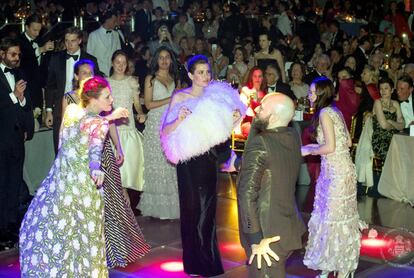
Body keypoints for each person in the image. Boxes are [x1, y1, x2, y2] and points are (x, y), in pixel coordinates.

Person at [19, 77, 129, 276]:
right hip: (65, 182)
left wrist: (95, 168)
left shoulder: (97, 122)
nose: (112, 99)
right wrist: (110, 118)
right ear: (93, 99)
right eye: (107, 96)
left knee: (83, 232)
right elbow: (79, 127)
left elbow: (95, 150)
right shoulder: (74, 112)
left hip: (83, 185)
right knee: (57, 227)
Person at [160, 55, 245, 277]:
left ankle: (208, 262)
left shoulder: (216, 97)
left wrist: (234, 120)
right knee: (191, 210)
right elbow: (165, 132)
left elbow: (222, 133)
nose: (205, 76)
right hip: (188, 162)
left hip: (209, 159)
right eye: (200, 72)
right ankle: (193, 262)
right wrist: (179, 118)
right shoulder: (180, 97)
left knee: (208, 211)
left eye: (207, 72)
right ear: (190, 75)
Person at [62, 59, 150, 268]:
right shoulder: (70, 99)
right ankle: (89, 252)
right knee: (88, 204)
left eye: (90, 72)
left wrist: (118, 147)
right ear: (76, 77)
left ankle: (115, 250)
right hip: (82, 156)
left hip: (104, 152)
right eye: (83, 73)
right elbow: (67, 131)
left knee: (112, 201)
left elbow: (108, 123)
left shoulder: (99, 95)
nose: (87, 76)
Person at [302, 77, 366, 278]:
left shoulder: (324, 114)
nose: (310, 95)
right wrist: (314, 147)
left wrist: (310, 151)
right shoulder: (335, 110)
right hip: (341, 169)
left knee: (333, 219)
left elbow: (330, 147)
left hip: (336, 174)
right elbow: (346, 142)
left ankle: (339, 266)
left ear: (321, 93)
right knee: (339, 218)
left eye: (312, 92)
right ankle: (337, 263)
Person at [237, 93, 306, 278]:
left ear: (273, 116)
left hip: (266, 235)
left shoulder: (262, 143)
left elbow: (247, 194)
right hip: (286, 226)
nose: (256, 109)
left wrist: (255, 239)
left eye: (262, 107)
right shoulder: (292, 134)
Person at [0, 37, 34, 251]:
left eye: (18, 54)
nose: (16, 58)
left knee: (14, 183)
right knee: (2, 184)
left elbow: (26, 103)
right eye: (13, 54)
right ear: (2, 53)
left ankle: (11, 225)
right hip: (1, 139)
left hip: (16, 140)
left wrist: (21, 99)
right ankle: (1, 229)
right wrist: (14, 96)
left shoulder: (20, 73)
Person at [138, 46, 180, 219]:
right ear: (156, 59)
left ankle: (171, 208)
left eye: (167, 57)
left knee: (170, 165)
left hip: (170, 123)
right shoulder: (151, 79)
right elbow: (148, 104)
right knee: (156, 165)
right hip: (155, 123)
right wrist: (170, 99)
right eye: (161, 57)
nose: (164, 61)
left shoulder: (174, 78)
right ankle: (155, 209)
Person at [45, 27, 100, 154]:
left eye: (73, 41)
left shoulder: (91, 60)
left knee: (84, 150)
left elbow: (97, 87)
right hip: (61, 110)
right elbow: (50, 86)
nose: (69, 44)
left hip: (84, 108)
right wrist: (48, 110)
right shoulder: (56, 58)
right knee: (61, 150)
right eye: (67, 41)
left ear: (80, 40)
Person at [108, 50, 146, 197]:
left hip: (128, 130)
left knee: (127, 174)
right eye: (117, 62)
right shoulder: (106, 82)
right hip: (112, 131)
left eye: (123, 63)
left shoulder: (132, 81)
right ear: (112, 63)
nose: (120, 65)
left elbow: (136, 103)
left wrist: (140, 113)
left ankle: (126, 213)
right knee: (115, 178)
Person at [371, 78, 404, 162]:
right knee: (392, 154)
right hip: (380, 139)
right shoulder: (377, 102)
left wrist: (391, 122)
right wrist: (395, 125)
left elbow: (402, 125)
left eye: (386, 88)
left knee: (405, 153)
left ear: (392, 90)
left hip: (394, 138)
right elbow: (384, 125)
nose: (383, 91)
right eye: (381, 89)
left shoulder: (395, 104)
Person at [87, 11, 121, 76]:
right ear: (107, 20)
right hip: (99, 73)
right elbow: (90, 56)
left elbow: (118, 53)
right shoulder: (94, 35)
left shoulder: (116, 34)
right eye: (114, 21)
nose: (116, 23)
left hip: (113, 72)